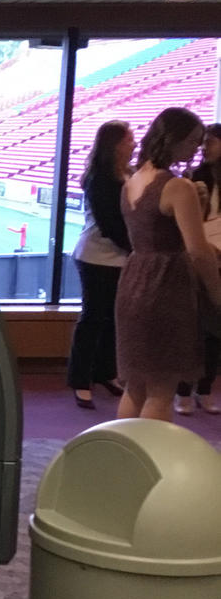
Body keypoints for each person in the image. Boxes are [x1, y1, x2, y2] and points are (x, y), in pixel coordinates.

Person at [116, 107, 221, 423]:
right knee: (162, 390)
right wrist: (217, 295)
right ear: (173, 139)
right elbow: (198, 250)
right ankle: (149, 466)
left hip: (133, 280)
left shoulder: (131, 182)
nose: (196, 149)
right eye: (192, 141)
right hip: (167, 286)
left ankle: (122, 460)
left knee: (135, 388)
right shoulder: (177, 186)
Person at [66, 121, 134, 409]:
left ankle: (105, 371)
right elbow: (109, 225)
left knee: (113, 318)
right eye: (129, 139)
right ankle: (80, 380)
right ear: (115, 145)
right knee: (93, 318)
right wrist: (139, 247)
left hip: (120, 258)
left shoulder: (128, 173)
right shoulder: (100, 179)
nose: (134, 143)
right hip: (96, 257)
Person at [176, 122, 221, 414]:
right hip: (198, 257)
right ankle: (182, 390)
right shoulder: (191, 177)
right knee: (192, 328)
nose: (205, 147)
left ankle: (205, 389)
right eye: (202, 142)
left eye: (211, 142)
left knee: (216, 329)